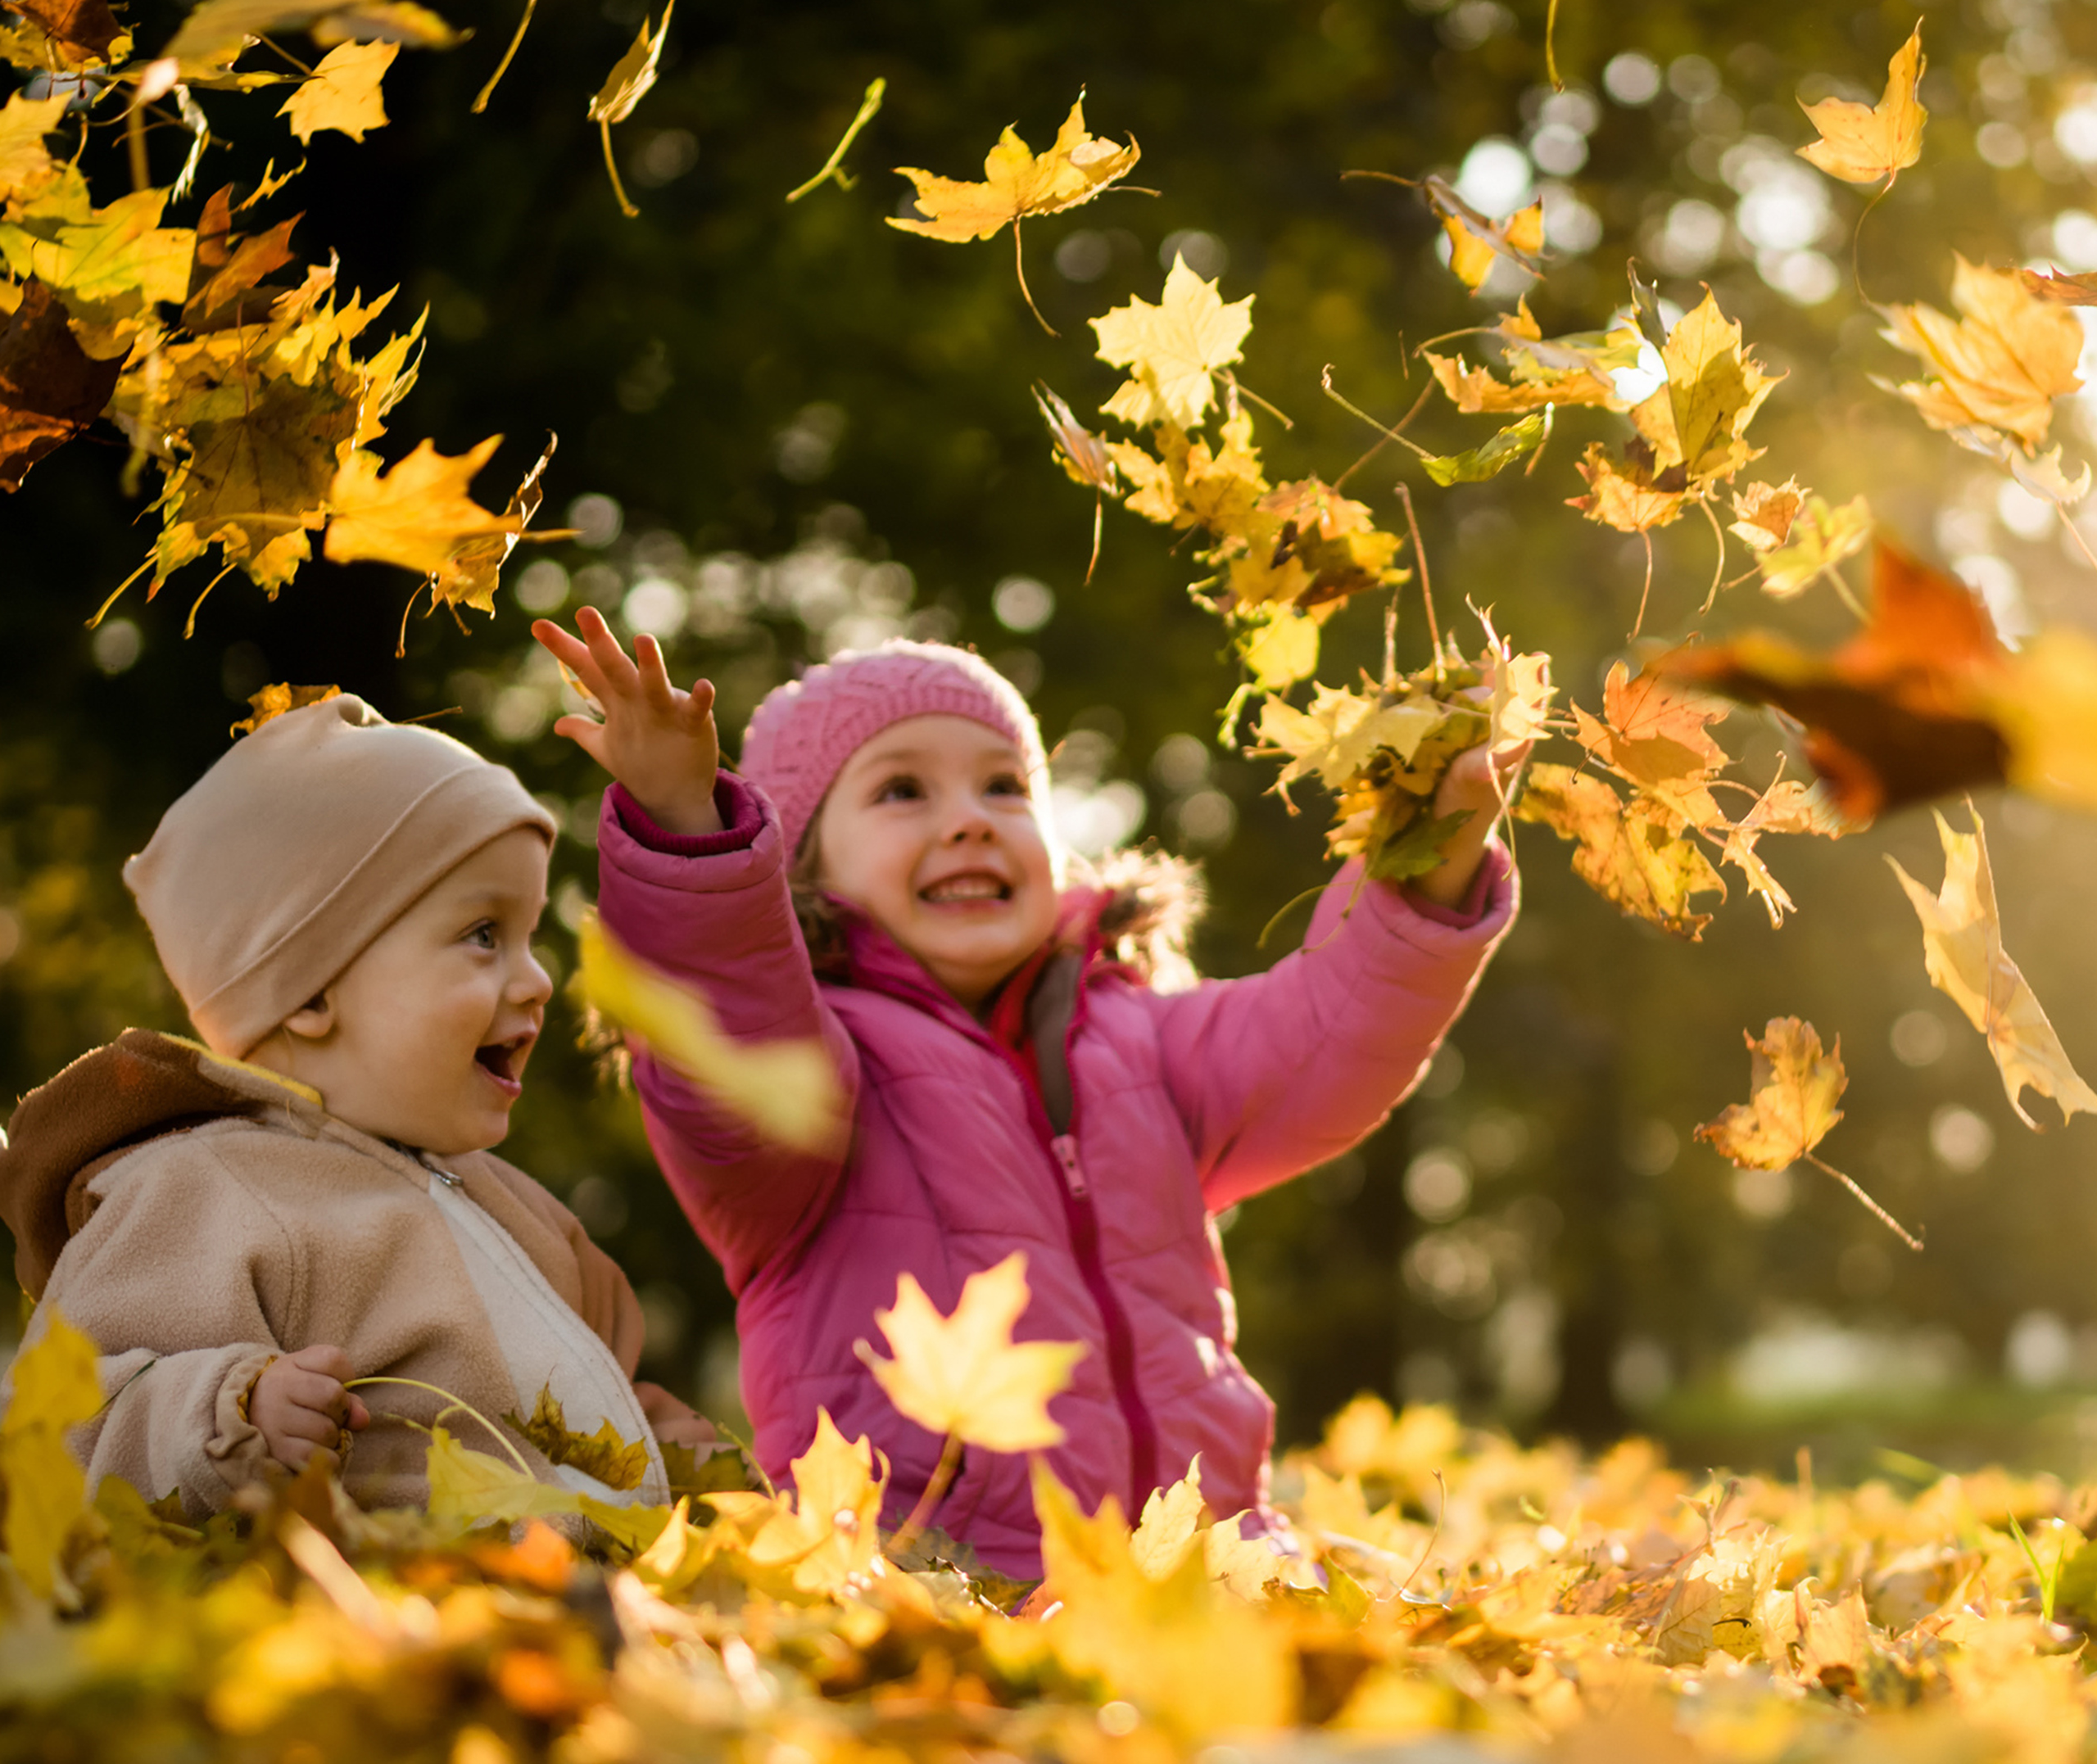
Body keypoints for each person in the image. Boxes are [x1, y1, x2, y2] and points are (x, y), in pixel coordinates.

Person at [537, 606, 1520, 1577]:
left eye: (1005, 788)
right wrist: (687, 828)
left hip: (1202, 1567)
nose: (969, 818)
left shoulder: (1144, 1037)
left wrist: (1429, 853)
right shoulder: (818, 1069)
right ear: (803, 866)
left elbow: (1327, 1033)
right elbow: (728, 1021)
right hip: (941, 1580)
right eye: (903, 792)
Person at [0, 694, 717, 1519]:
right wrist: (230, 1413)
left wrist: (680, 1454)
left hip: (563, 1622)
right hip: (387, 1622)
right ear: (312, 993)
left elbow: (588, 1404)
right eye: (482, 934)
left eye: (530, 936)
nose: (539, 979)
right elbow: (59, 1419)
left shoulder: (520, 1211)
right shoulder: (204, 1193)